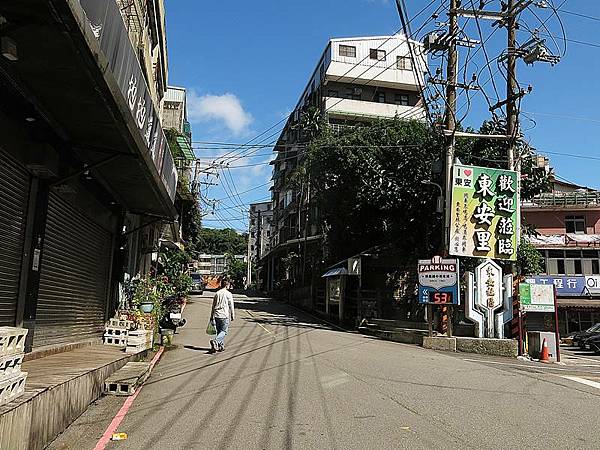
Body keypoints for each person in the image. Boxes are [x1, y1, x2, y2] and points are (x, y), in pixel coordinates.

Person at [209, 278, 235, 353]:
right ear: (227, 285)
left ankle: (221, 346)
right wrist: (232, 315)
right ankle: (215, 341)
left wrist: (211, 316)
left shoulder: (217, 293)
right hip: (224, 315)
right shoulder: (228, 294)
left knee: (219, 331)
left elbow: (213, 306)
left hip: (217, 315)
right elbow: (231, 305)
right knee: (224, 331)